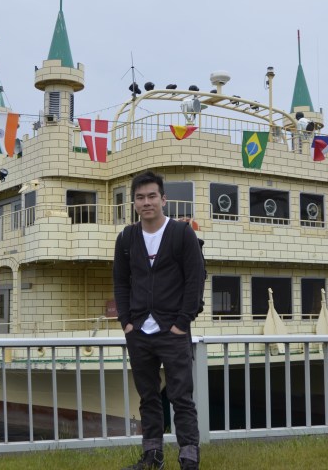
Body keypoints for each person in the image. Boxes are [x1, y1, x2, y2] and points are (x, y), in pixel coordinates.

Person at [114, 170, 204, 470]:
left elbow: (194, 280)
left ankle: (189, 457)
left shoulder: (182, 234)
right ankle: (152, 456)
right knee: (148, 397)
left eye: (152, 196)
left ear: (163, 199)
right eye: (140, 197)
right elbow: (121, 283)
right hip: (139, 331)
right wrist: (127, 323)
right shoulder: (126, 238)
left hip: (172, 331)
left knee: (181, 397)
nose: (146, 202)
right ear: (134, 203)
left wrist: (182, 323)